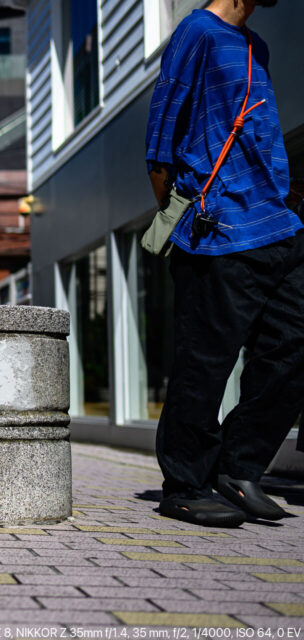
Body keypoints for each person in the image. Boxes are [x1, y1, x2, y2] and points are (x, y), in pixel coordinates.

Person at [145, 0, 298, 527]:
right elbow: (161, 139)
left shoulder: (257, 45)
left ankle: (239, 466)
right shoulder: (197, 32)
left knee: (293, 346)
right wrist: (185, 216)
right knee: (205, 363)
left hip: (277, 225)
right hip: (218, 230)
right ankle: (186, 483)